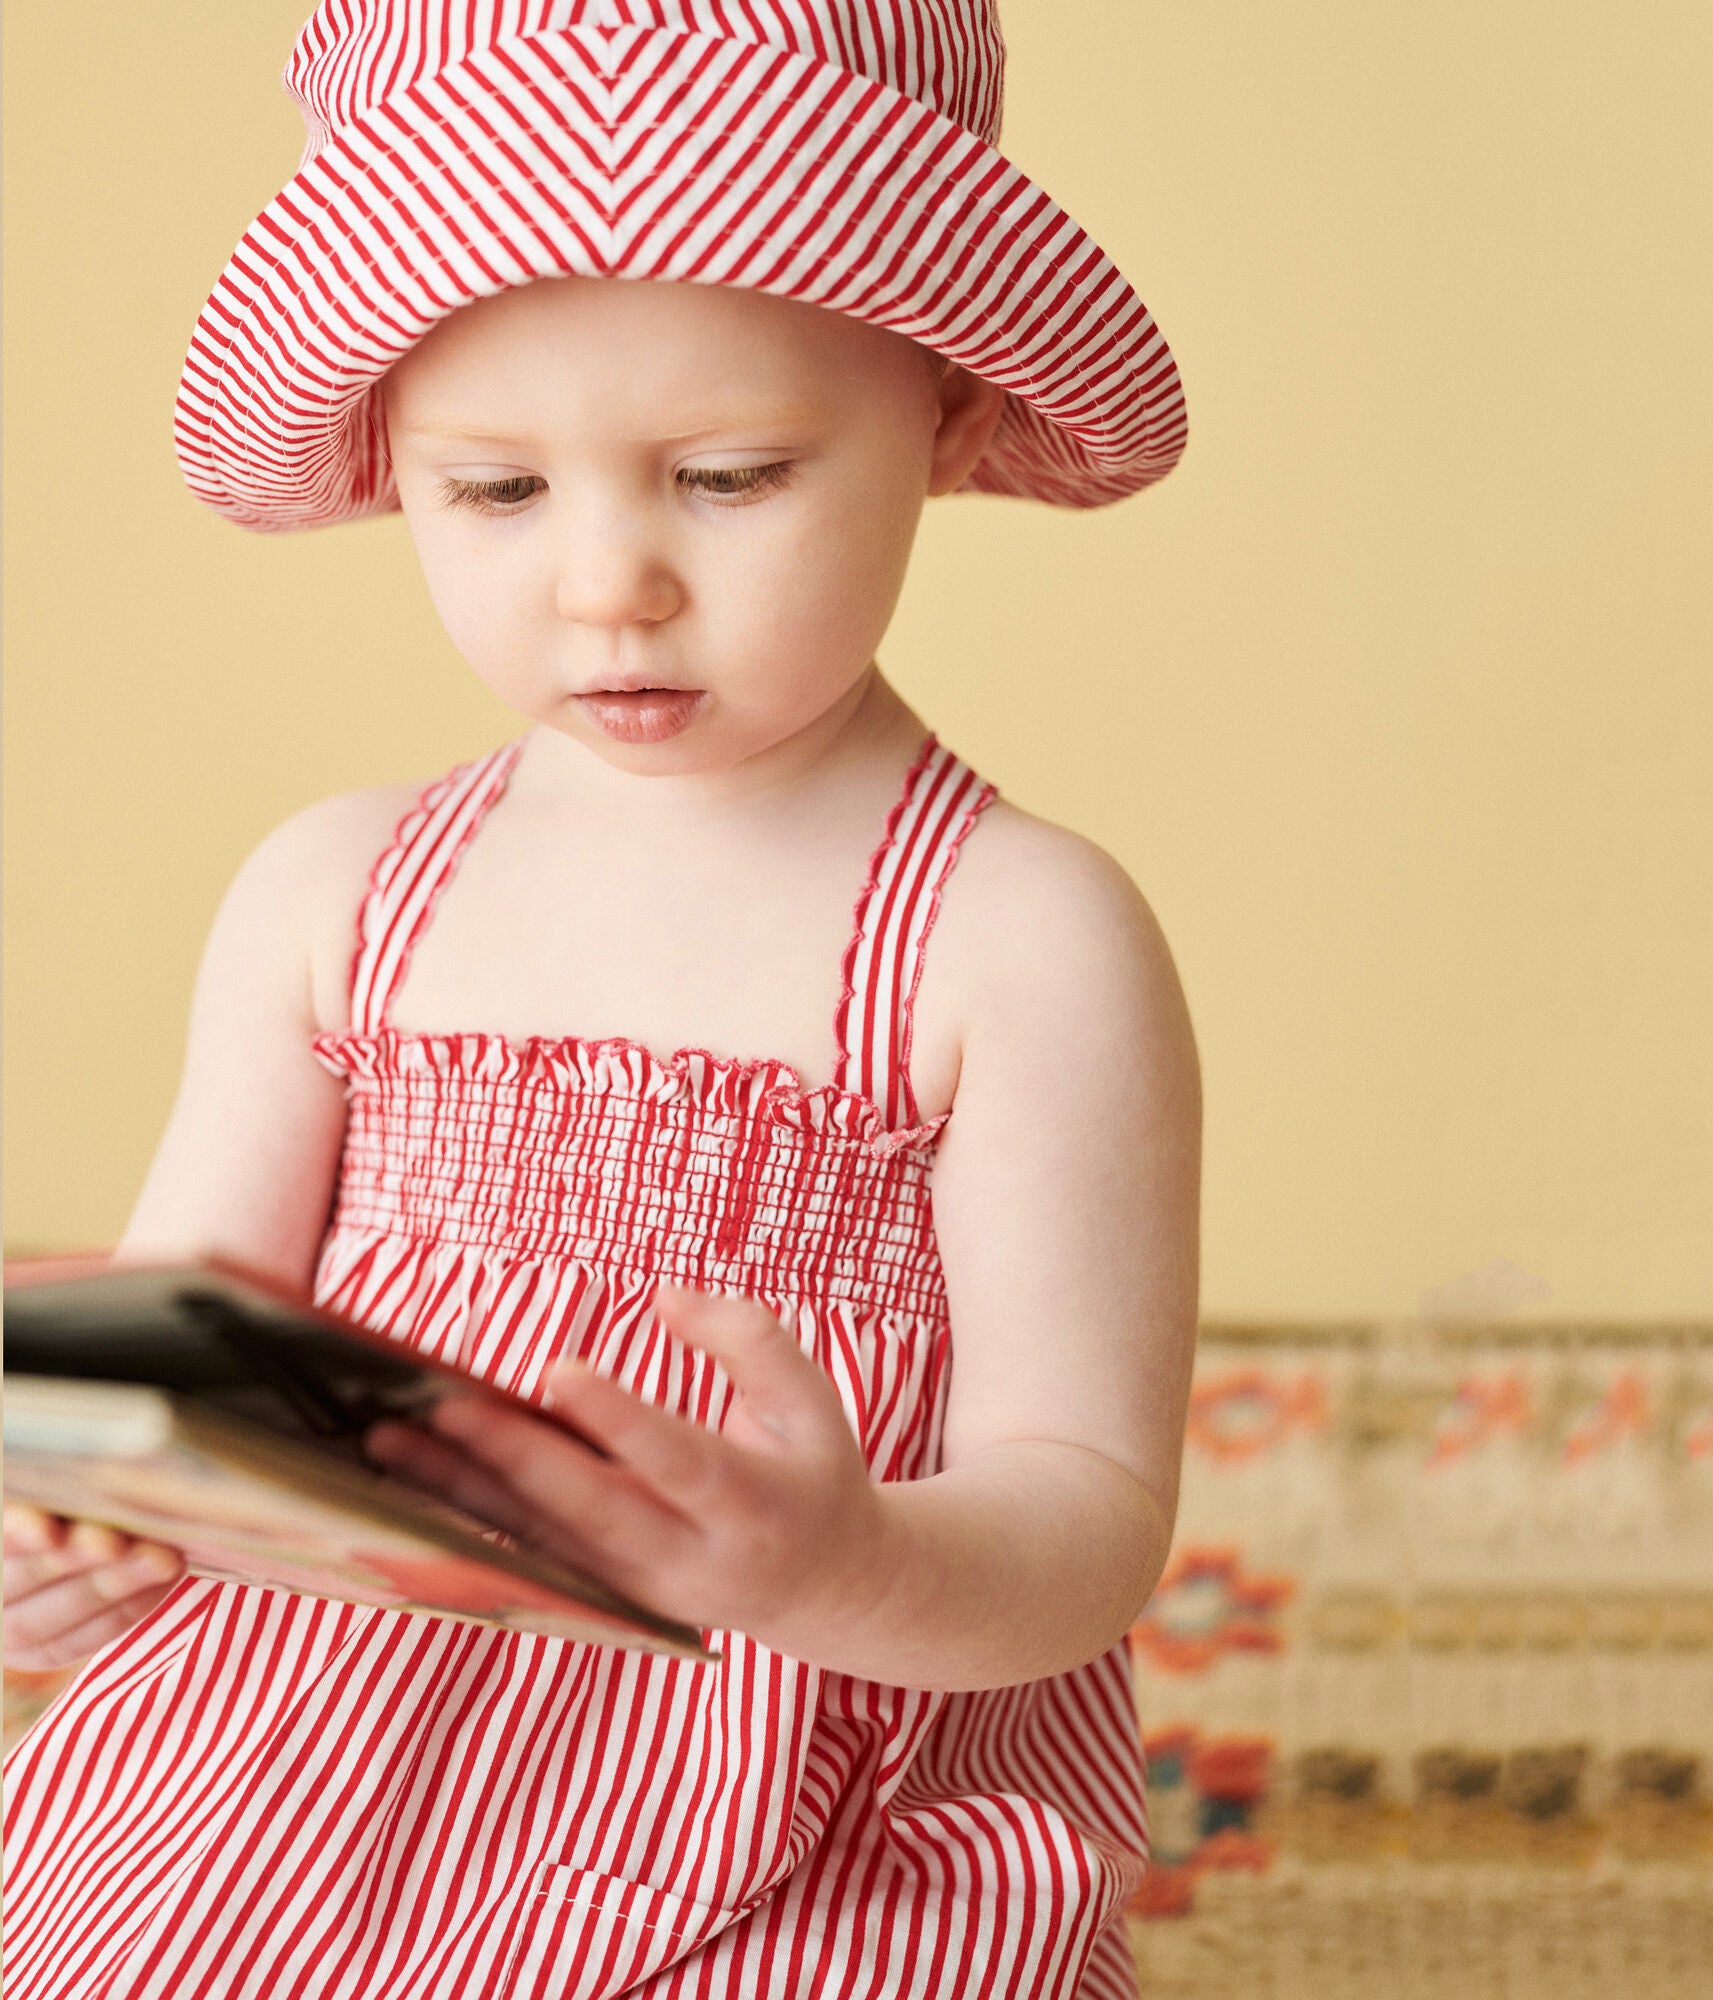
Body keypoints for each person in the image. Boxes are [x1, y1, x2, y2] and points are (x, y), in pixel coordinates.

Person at [1, 3, 1199, 1997]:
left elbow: (1084, 1515)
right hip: (293, 1790)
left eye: (728, 477)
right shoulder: (336, 891)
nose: (608, 583)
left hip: (798, 1807)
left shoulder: (1015, 935)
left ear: (949, 413)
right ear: (393, 461)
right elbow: (169, 1390)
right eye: (496, 493)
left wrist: (843, 1566)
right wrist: (61, 1543)